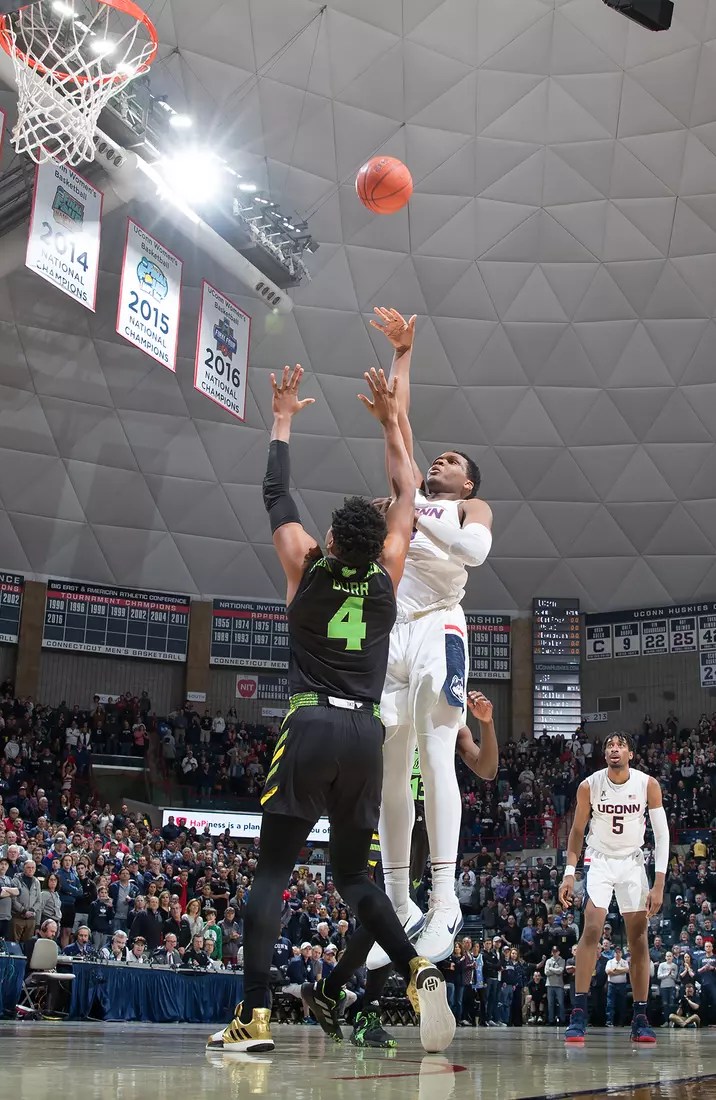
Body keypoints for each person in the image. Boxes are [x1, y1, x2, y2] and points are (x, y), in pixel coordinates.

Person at [206, 365, 452, 1055]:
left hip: (311, 722)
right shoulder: (390, 575)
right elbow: (406, 492)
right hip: (365, 735)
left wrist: (283, 419)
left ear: (332, 540)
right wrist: (391, 422)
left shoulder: (305, 564)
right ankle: (415, 966)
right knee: (353, 879)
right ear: (379, 546)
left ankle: (254, 1018)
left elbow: (276, 493)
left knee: (272, 875)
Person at [366, 307, 494, 965]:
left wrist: (420, 511)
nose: (437, 460)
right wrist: (403, 354)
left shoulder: (466, 506)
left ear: (465, 481)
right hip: (392, 632)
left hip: (442, 625)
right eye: (434, 458)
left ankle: (445, 898)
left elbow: (474, 552)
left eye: (450, 461)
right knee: (391, 765)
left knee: (437, 754)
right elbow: (399, 419)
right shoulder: (410, 494)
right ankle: (398, 903)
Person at [315, 689, 498, 1048]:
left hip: (420, 837)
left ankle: (332, 992)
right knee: (385, 914)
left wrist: (487, 725)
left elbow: (487, 769)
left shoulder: (445, 712)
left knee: (389, 918)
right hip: (381, 822)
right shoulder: (389, 704)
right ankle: (360, 1007)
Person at [558, 731, 668, 1044]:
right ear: (604, 754)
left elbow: (662, 836)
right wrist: (569, 874)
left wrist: (659, 884)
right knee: (592, 927)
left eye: (620, 745)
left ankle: (640, 1016)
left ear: (630, 754)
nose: (614, 749)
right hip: (599, 859)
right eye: (609, 745)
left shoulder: (647, 784)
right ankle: (579, 1012)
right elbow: (576, 831)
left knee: (639, 939)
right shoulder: (589, 785)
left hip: (632, 861)